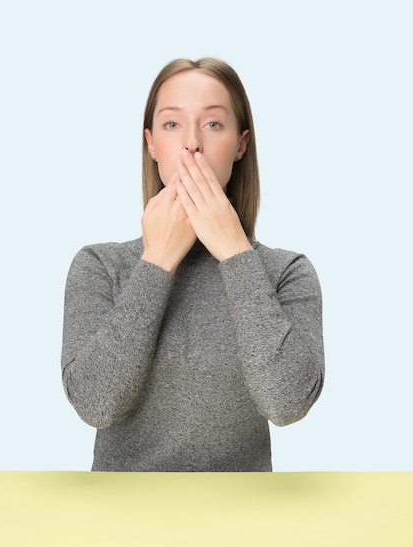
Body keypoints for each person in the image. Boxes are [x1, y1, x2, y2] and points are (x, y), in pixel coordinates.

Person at [61, 57, 325, 472]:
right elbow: (96, 404)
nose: (191, 144)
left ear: (241, 144)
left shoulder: (286, 272)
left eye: (213, 124)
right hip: (119, 521)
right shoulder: (100, 265)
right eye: (172, 124)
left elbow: (288, 403)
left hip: (243, 521)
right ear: (151, 144)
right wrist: (157, 260)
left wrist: (236, 254)